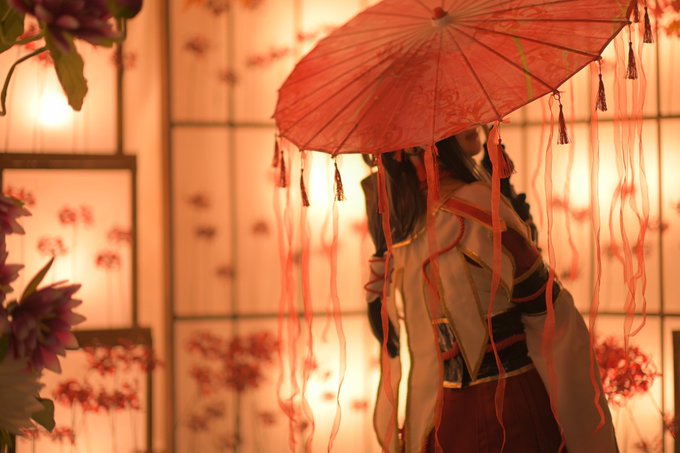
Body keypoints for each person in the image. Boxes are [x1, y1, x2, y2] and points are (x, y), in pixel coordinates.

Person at [361, 128, 618, 453]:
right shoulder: (459, 209)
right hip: (486, 409)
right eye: (455, 118)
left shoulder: (428, 218)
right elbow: (544, 305)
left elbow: (537, 300)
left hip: (476, 409)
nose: (474, 124)